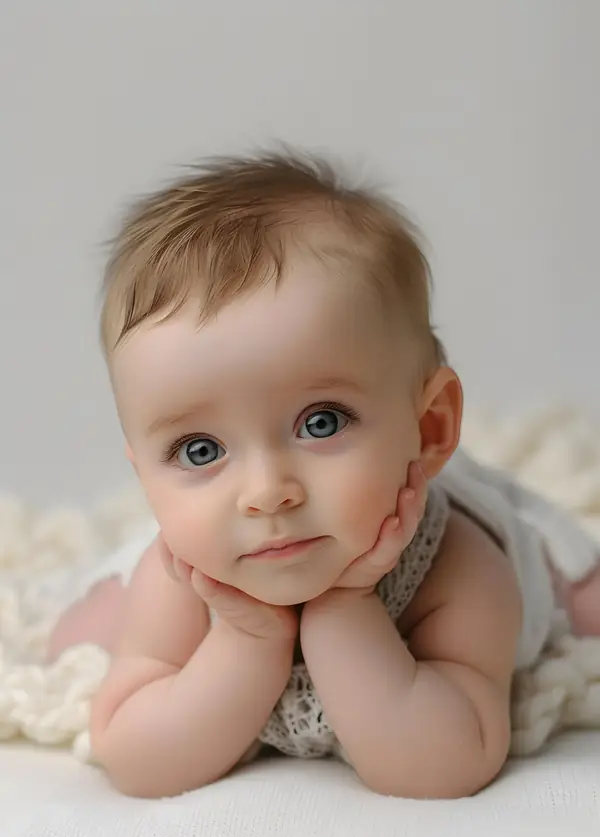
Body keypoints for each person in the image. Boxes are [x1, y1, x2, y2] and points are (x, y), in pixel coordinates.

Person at [48, 151, 600, 799]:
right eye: (199, 450)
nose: (266, 492)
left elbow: (447, 765)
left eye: (321, 423)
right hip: (217, 566)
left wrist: (344, 611)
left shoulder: (461, 565)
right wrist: (246, 638)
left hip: (456, 528)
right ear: (145, 474)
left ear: (429, 431)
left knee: (581, 596)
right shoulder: (181, 578)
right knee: (74, 636)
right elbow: (141, 765)